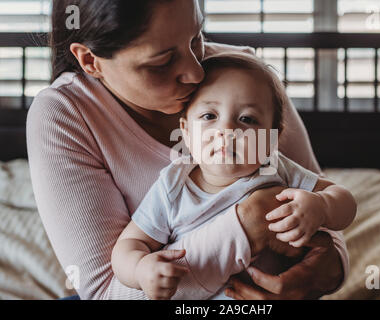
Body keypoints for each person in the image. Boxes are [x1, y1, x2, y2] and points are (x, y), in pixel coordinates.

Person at [27, 0, 349, 300]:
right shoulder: (67, 116)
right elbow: (109, 289)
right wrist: (248, 223)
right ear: (90, 60)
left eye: (196, 38)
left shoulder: (248, 78)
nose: (196, 71)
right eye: (163, 61)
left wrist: (327, 270)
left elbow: (328, 213)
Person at [111, 53, 357, 300]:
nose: (226, 131)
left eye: (247, 119)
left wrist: (323, 206)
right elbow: (129, 246)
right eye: (210, 116)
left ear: (272, 138)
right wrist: (140, 270)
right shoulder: (173, 185)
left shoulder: (277, 170)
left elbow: (343, 199)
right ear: (185, 131)